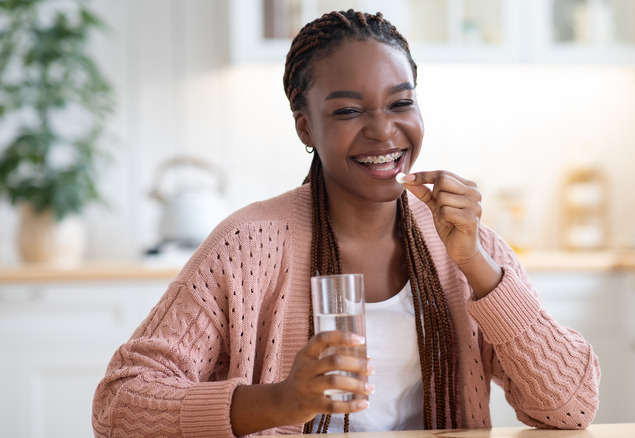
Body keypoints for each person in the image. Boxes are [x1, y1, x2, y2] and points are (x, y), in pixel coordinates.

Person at [93, 9, 600, 437]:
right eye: (349, 110)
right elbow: (119, 405)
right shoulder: (248, 246)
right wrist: (281, 403)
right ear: (305, 126)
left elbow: (569, 407)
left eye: (401, 103)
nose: (383, 130)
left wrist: (476, 265)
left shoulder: (464, 244)